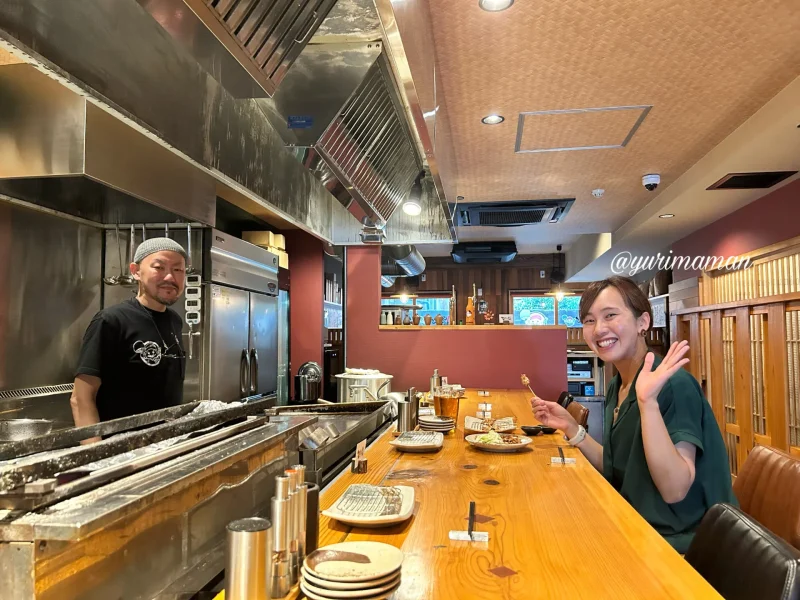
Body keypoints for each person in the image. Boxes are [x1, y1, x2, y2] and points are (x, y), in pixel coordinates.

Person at [531, 276, 736, 553]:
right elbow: (619, 469)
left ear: (643, 322)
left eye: (611, 315)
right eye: (589, 320)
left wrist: (648, 403)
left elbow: (675, 489)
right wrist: (571, 427)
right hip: (632, 523)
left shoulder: (673, 386)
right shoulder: (619, 384)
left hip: (684, 546)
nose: (598, 329)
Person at [70, 237, 188, 434]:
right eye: (159, 267)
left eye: (178, 270)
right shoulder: (111, 320)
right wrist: (97, 454)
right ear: (135, 271)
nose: (170, 277)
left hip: (164, 445)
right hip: (122, 450)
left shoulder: (174, 321)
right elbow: (81, 398)